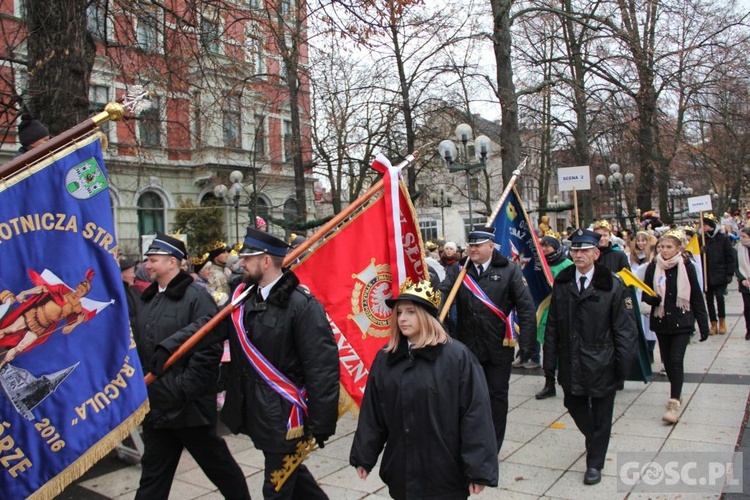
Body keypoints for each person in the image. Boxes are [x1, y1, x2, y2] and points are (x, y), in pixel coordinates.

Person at [350, 279, 498, 499]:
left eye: (410, 312)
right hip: (402, 470)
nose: (402, 318)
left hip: (444, 472)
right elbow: (373, 412)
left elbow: (475, 415)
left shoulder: (457, 357)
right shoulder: (386, 358)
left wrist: (478, 469)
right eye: (399, 313)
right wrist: (364, 455)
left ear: (426, 316)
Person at [222, 227, 339, 499]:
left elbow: (322, 367)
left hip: (286, 419)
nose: (241, 263)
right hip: (258, 412)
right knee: (294, 478)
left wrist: (322, 422)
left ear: (265, 261)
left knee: (275, 489)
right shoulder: (244, 298)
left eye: (248, 257)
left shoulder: (302, 305)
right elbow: (210, 326)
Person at [133, 233, 250, 500]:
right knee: (152, 478)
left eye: (153, 260)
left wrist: (179, 390)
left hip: (189, 410)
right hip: (158, 408)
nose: (147, 265)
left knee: (221, 469)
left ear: (172, 263)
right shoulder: (148, 299)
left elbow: (208, 350)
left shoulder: (196, 297)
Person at [543, 228, 638, 485]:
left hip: (602, 361)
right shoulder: (563, 282)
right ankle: (595, 439)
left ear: (596, 254)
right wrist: (549, 364)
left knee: (603, 414)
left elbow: (625, 330)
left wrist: (622, 367)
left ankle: (594, 464)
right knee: (573, 404)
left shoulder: (613, 285)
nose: (578, 254)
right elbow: (552, 325)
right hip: (571, 360)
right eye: (575, 249)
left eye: (584, 250)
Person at [439, 226, 536, 452]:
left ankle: (493, 446)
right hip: (467, 347)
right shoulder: (460, 270)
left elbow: (526, 307)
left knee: (496, 398)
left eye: (478, 245)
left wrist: (528, 345)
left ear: (491, 246)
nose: (473, 248)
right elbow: (444, 293)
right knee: (468, 397)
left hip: (497, 347)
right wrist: (437, 318)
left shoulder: (509, 270)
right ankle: (470, 441)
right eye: (471, 244)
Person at [641, 229, 709, 423]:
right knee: (668, 361)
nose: (664, 250)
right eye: (662, 246)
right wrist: (652, 299)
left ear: (678, 248)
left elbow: (696, 295)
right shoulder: (653, 267)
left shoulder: (686, 266)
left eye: (669, 247)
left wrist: (703, 324)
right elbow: (645, 292)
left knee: (676, 360)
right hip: (661, 321)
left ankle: (674, 401)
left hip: (682, 320)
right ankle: (676, 390)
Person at [0, 269, 95, 366]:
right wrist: (25, 292)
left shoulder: (77, 309)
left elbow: (65, 330)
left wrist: (77, 323)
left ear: (85, 294)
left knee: (19, 347)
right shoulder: (63, 289)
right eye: (79, 288)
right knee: (10, 329)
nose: (79, 291)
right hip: (34, 314)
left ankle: (2, 363)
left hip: (42, 327)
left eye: (83, 290)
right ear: (77, 286)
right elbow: (43, 288)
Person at [534, 231, 573, 400]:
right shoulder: (540, 266)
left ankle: (569, 381)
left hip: (565, 313)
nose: (545, 248)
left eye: (548, 245)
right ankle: (549, 383)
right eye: (542, 245)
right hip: (546, 314)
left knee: (567, 350)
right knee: (548, 350)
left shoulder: (568, 265)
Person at [702, 213, 735, 334]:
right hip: (707, 275)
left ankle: (722, 322)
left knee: (720, 297)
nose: (703, 227)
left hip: (720, 273)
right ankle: (713, 323)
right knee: (709, 300)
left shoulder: (722, 238)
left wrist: (729, 273)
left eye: (705, 224)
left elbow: (730, 256)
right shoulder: (702, 239)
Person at [629, 231, 658, 364]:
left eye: (643, 240)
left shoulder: (652, 257)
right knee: (637, 322)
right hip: (635, 291)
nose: (640, 243)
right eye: (638, 240)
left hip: (646, 291)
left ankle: (650, 350)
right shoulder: (630, 256)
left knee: (648, 324)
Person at [735, 227, 750, 341]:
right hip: (745, 283)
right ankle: (749, 330)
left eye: (744, 236)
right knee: (748, 308)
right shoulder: (739, 249)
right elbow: (736, 267)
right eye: (741, 236)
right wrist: (741, 279)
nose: (741, 239)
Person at [120, 258, 141, 327]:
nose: (134, 276)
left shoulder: (135, 290)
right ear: (120, 274)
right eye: (131, 272)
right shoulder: (117, 294)